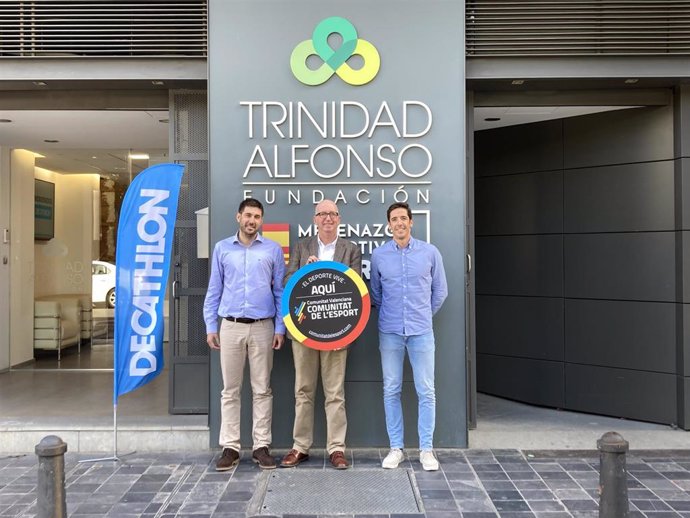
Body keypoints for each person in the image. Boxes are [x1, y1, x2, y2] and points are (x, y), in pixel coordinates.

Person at [203, 198, 286, 471]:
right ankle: (231, 447)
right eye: (248, 215)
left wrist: (279, 328)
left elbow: (280, 292)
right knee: (230, 390)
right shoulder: (222, 248)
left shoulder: (272, 249)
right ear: (238, 217)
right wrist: (210, 325)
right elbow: (214, 288)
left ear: (261, 220)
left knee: (262, 389)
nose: (252, 220)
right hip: (231, 326)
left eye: (257, 216)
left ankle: (261, 446)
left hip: (263, 326)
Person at [280, 199, 362, 470]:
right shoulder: (302, 247)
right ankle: (300, 447)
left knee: (335, 393)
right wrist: (305, 272)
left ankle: (336, 449)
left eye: (333, 214)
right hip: (303, 332)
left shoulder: (351, 249)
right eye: (322, 213)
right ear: (315, 219)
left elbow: (357, 289)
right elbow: (286, 282)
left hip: (337, 333)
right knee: (303, 390)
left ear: (339, 218)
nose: (328, 218)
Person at [370, 202, 448, 471]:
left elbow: (440, 292)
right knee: (391, 389)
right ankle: (396, 448)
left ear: (411, 222)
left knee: (426, 390)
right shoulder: (379, 256)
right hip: (389, 331)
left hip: (421, 332)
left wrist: (422, 314)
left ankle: (426, 450)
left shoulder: (430, 253)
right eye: (394, 219)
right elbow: (376, 294)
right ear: (389, 224)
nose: (399, 223)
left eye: (404, 218)